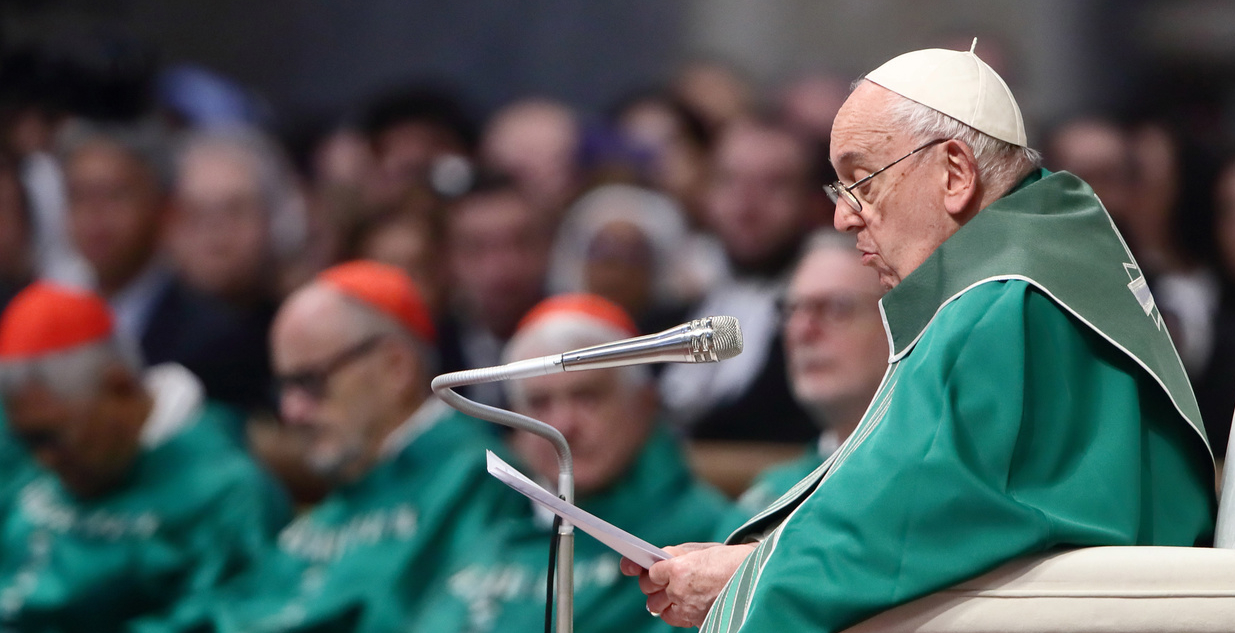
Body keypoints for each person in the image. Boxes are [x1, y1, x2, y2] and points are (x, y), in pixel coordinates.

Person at [623, 45, 1215, 632]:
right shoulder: (1047, 257)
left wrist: (750, 583)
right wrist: (751, 564)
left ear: (955, 173)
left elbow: (915, 520)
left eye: (862, 182)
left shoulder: (1002, 302)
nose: (843, 217)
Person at [143, 261, 523, 633]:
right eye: (283, 388)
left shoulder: (483, 478)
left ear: (395, 368)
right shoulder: (348, 488)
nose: (291, 412)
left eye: (310, 381)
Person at [413, 293, 730, 633]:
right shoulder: (487, 523)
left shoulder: (707, 534)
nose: (563, 425)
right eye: (539, 403)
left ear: (643, 403)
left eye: (587, 396)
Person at [0, 282, 289, 633]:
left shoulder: (226, 491)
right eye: (27, 441)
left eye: (52, 437)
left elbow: (227, 616)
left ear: (119, 387)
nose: (43, 460)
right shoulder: (50, 464)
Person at [60, 119, 272, 411]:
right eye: (79, 195)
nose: (95, 214)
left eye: (115, 194)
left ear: (165, 208)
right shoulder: (53, 322)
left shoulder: (218, 337)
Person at [658, 116, 819, 442]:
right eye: (730, 181)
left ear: (812, 201)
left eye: (774, 185)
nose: (747, 205)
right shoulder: (666, 310)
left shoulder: (824, 324)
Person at [720, 230, 887, 529]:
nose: (801, 331)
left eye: (838, 307)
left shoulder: (939, 474)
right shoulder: (767, 498)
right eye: (792, 309)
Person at [437, 178, 552, 407]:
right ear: (448, 258)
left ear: (547, 246)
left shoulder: (581, 341)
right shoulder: (430, 350)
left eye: (521, 243)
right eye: (477, 248)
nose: (501, 267)